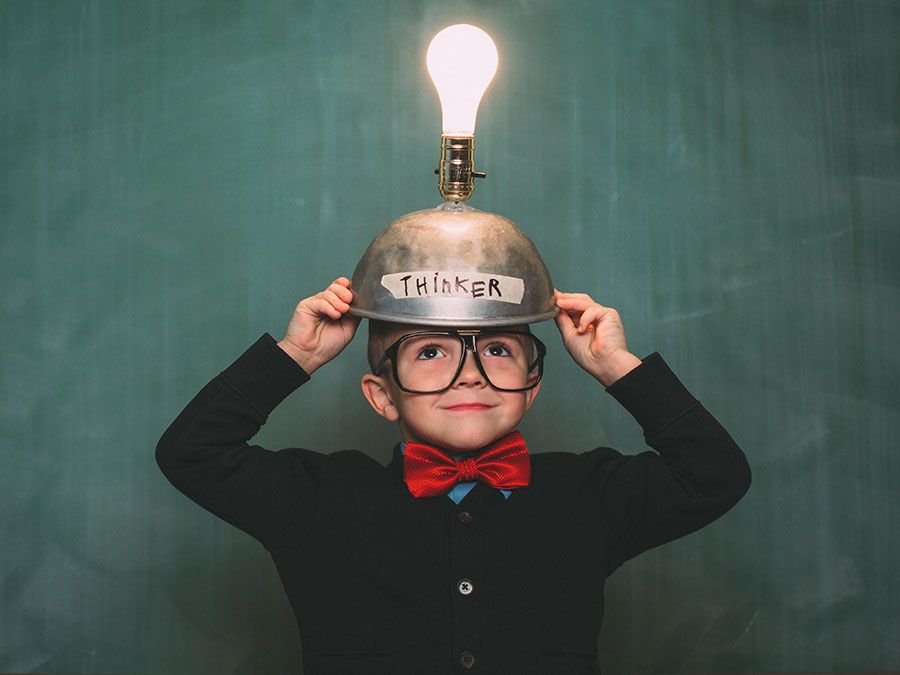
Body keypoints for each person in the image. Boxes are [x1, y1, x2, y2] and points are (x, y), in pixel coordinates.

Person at [156, 276, 751, 675]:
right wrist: (297, 354)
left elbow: (715, 475)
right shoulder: (316, 499)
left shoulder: (588, 495)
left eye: (496, 349)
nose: (470, 375)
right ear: (381, 395)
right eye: (431, 351)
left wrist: (616, 367)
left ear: (532, 386)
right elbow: (192, 453)